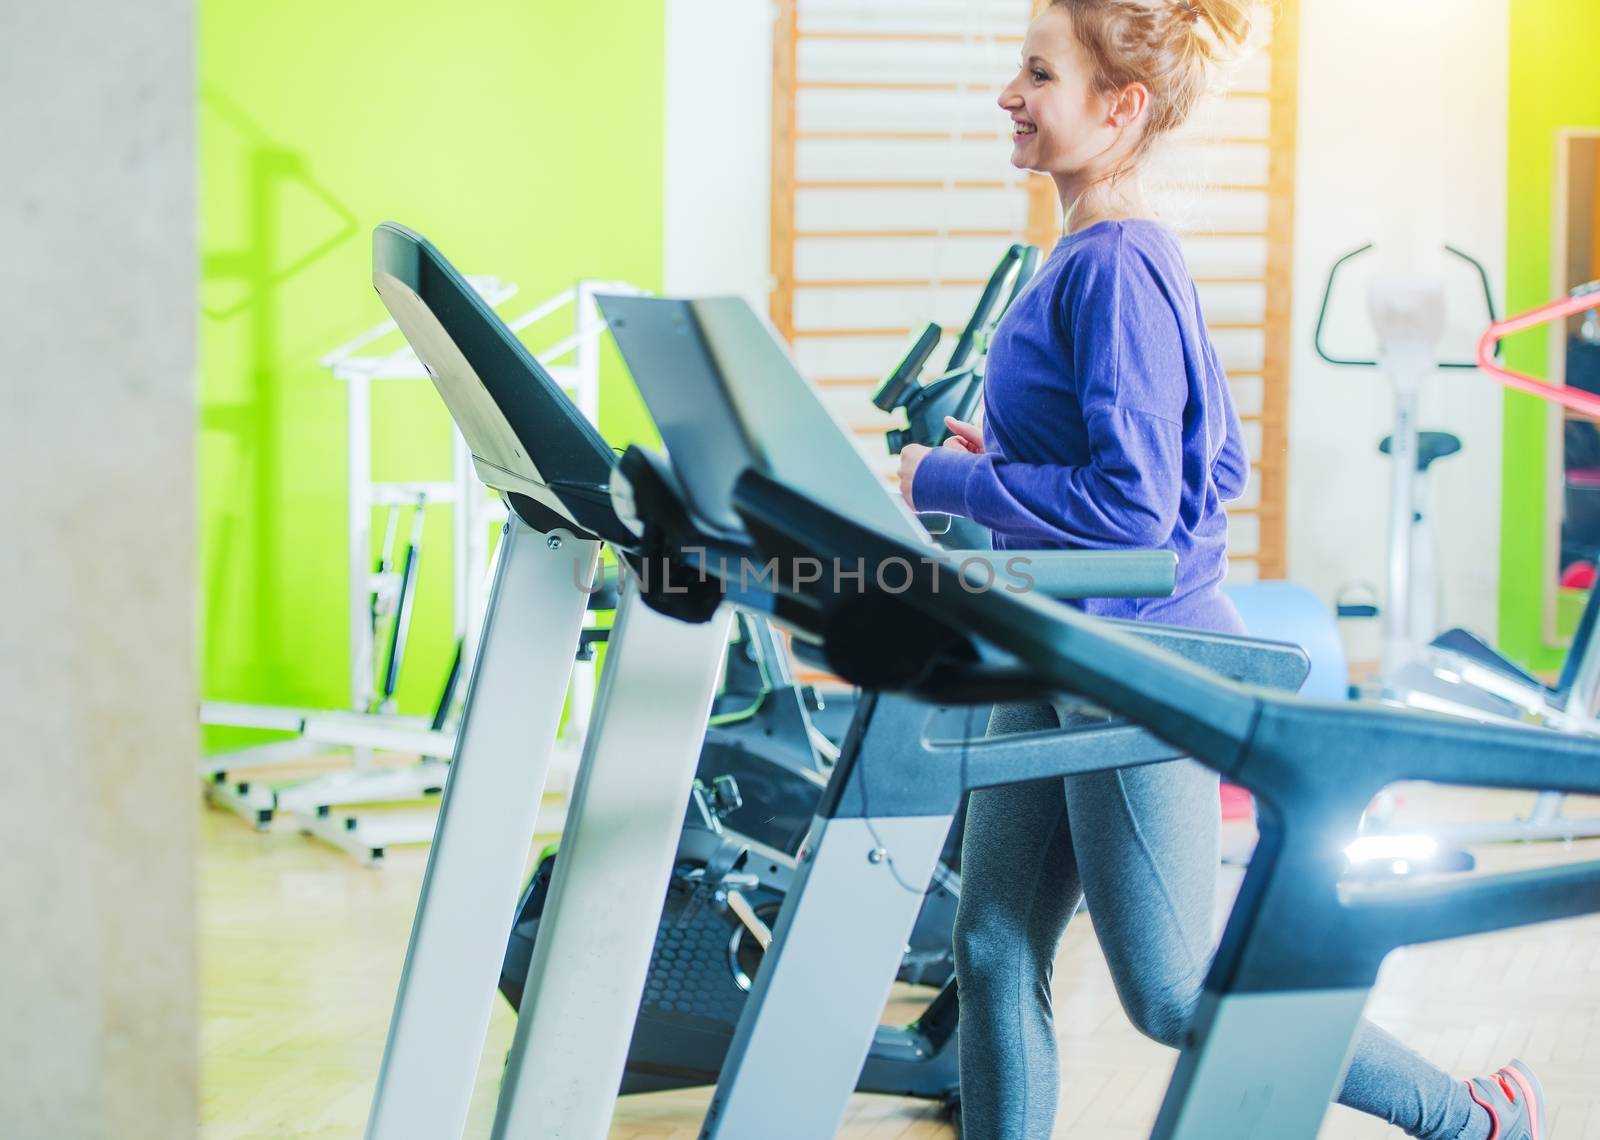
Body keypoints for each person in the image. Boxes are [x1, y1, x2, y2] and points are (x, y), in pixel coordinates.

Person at [895, 2, 1545, 1137]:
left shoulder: (1118, 266)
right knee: (993, 941)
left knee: (1171, 989)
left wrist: (946, 486)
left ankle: (1473, 1120)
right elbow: (1211, 460)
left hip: (1138, 659)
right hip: (1069, 639)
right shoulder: (1103, 253)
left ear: (1120, 105)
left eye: (1037, 73)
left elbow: (1136, 505)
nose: (1010, 92)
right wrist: (1011, 464)